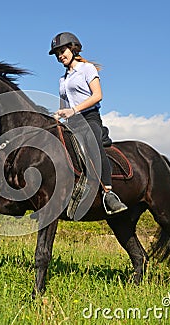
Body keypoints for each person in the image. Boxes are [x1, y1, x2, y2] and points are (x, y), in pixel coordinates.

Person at [49, 32, 127, 215]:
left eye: (63, 51)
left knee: (92, 144)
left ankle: (109, 193)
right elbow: (65, 106)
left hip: (89, 117)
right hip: (72, 121)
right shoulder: (62, 80)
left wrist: (74, 110)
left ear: (73, 48)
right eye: (58, 54)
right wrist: (59, 115)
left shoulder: (87, 69)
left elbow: (98, 95)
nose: (60, 56)